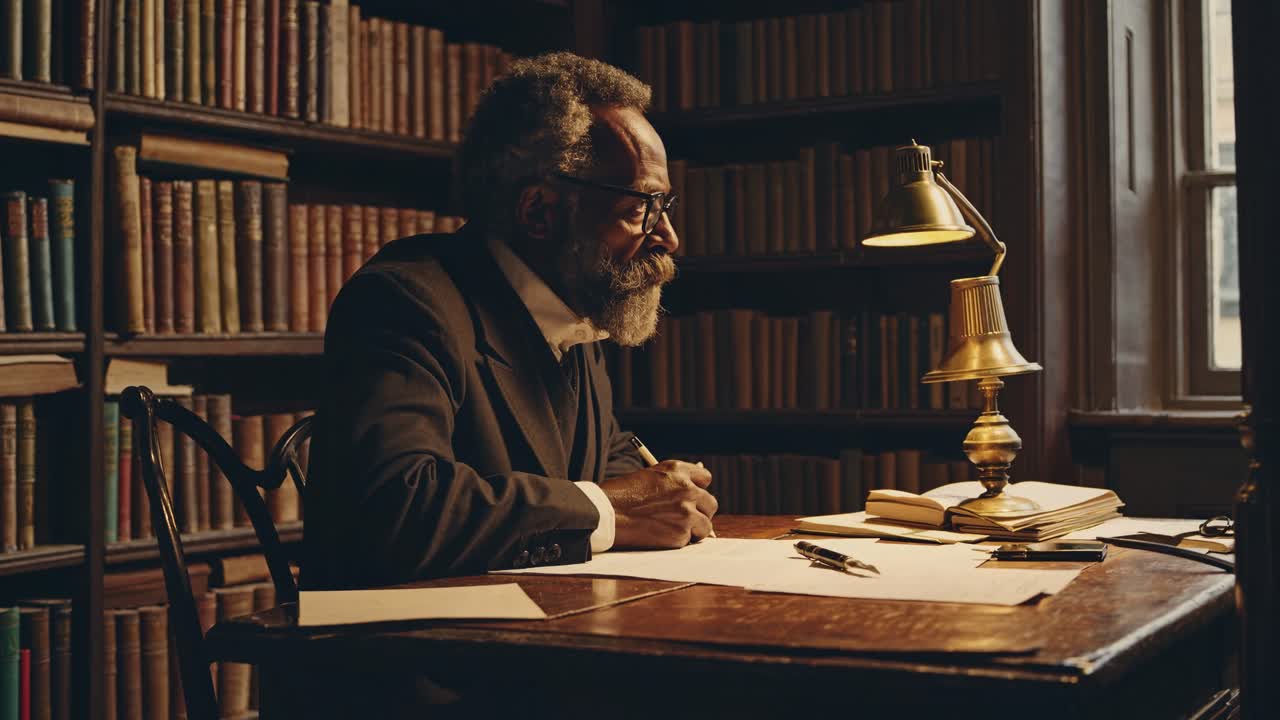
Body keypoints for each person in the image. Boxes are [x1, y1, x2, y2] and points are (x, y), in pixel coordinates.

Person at [304, 51, 718, 591]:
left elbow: (601, 456)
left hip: (540, 639)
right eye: (641, 208)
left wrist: (664, 491)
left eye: (664, 206)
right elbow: (394, 507)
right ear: (539, 212)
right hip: (415, 659)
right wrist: (610, 506)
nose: (668, 238)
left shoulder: (575, 302)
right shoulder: (405, 300)